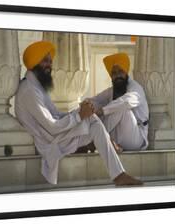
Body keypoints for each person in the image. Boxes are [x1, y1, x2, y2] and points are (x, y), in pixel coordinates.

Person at [15, 41, 143, 186]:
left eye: (50, 61)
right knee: (92, 120)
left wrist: (80, 112)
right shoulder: (29, 91)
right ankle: (118, 173)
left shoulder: (36, 86)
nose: (49, 65)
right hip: (48, 141)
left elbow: (56, 114)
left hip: (54, 136)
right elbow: (52, 126)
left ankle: (114, 169)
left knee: (92, 120)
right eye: (45, 61)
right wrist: (79, 116)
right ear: (34, 61)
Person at [87, 53, 149, 152]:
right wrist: (86, 108)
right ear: (111, 76)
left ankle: (94, 140)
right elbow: (94, 100)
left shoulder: (135, 88)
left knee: (121, 108)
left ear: (126, 72)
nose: (118, 75)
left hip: (135, 138)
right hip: (117, 135)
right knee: (93, 106)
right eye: (114, 73)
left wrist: (102, 111)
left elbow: (126, 102)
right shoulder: (112, 91)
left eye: (121, 71)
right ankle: (99, 139)